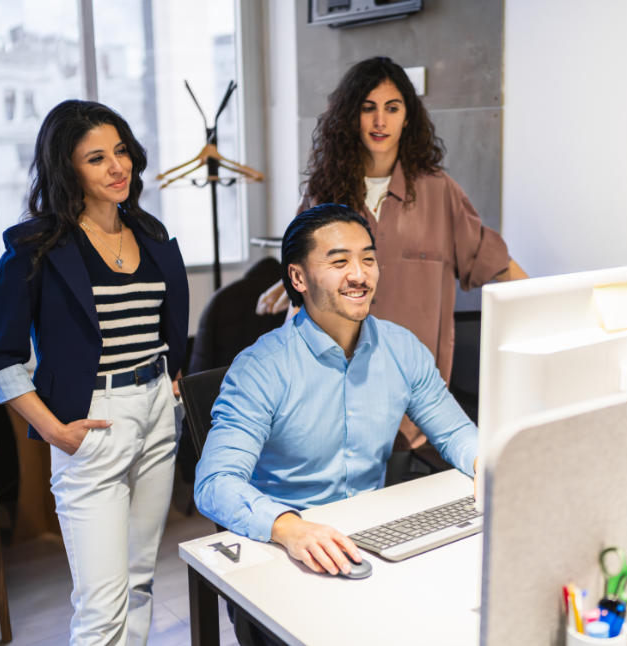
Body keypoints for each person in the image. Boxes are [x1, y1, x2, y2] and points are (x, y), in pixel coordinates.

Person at [0, 100, 189, 645]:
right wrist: (53, 430)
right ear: (67, 169)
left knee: (141, 583)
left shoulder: (151, 234)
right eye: (97, 158)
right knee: (100, 605)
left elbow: (165, 329)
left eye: (121, 152)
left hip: (156, 415)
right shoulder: (34, 250)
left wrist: (172, 385)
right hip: (92, 424)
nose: (118, 167)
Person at [257, 56, 526, 462]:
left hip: (412, 402)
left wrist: (554, 305)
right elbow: (304, 270)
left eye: (392, 108)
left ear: (407, 118)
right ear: (351, 117)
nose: (380, 121)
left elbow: (494, 263)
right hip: (332, 396)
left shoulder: (440, 193)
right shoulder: (323, 192)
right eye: (368, 108)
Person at [195, 203, 478, 576]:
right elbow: (216, 482)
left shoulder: (402, 348)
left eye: (368, 260)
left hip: (374, 538)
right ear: (298, 278)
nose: (360, 275)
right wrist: (289, 527)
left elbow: (455, 431)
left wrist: (483, 465)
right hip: (289, 546)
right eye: (339, 262)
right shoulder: (261, 367)